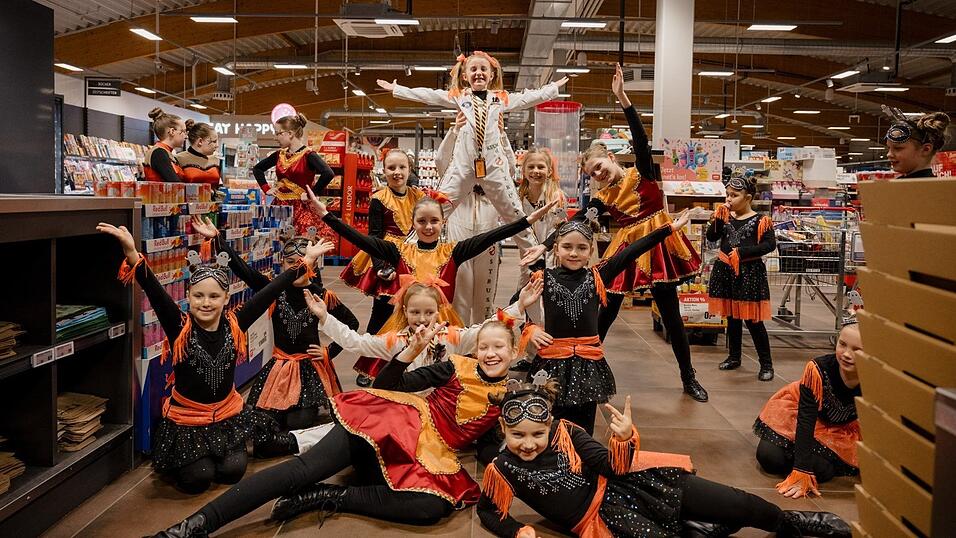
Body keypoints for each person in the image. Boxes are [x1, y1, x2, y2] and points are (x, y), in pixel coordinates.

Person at [152, 319, 525, 537]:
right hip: (391, 419)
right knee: (299, 470)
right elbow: (390, 387)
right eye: (484, 348)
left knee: (431, 508)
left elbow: (491, 448)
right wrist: (409, 353)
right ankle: (192, 526)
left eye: (499, 349)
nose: (491, 354)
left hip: (424, 454)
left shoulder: (510, 398)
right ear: (474, 351)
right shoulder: (455, 368)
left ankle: (326, 497)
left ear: (514, 354)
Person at [95, 222, 327, 494]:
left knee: (232, 472)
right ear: (188, 297)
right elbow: (154, 290)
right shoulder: (179, 327)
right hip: (189, 421)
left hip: (226, 415)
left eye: (214, 296)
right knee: (197, 479)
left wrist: (305, 263)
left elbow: (271, 290)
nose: (206, 303)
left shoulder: (236, 323)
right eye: (199, 296)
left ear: (226, 297)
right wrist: (133, 253)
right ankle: (198, 460)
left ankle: (218, 451)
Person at [522, 64, 707, 403]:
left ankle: (688, 377)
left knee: (671, 316)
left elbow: (640, 138)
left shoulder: (643, 172)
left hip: (661, 241)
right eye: (593, 173)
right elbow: (576, 222)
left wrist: (623, 99)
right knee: (604, 312)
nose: (600, 174)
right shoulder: (602, 198)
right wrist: (545, 245)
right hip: (627, 251)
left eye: (600, 167)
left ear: (610, 157)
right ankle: (582, 364)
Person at [476, 375, 852, 537]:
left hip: (635, 484)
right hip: (604, 520)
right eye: (518, 435)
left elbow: (614, 466)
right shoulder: (502, 468)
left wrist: (623, 439)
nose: (528, 443)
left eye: (536, 434)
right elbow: (488, 511)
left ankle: (792, 522)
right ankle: (700, 530)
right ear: (503, 431)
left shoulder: (567, 432)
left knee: (736, 502)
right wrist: (516, 530)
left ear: (551, 424)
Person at [519, 210, 692, 435]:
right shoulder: (543, 278)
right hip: (553, 363)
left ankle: (582, 461)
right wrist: (530, 330)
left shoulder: (598, 275)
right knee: (552, 421)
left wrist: (669, 229)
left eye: (581, 248)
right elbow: (517, 308)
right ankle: (557, 461)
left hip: (588, 363)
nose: (573, 253)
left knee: (584, 424)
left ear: (591, 251)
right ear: (556, 249)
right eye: (567, 247)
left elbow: (632, 251)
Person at [377, 51, 568, 254]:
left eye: (483, 69)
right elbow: (429, 95)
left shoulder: (500, 98)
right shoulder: (459, 97)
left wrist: (552, 88)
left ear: (492, 75)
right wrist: (398, 89)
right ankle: (411, 248)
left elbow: (526, 98)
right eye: (473, 69)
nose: (478, 73)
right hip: (464, 166)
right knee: (439, 206)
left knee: (514, 212)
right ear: (465, 75)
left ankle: (533, 254)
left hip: (494, 167)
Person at [306, 184, 558, 338]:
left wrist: (526, 221)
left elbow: (490, 236)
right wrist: (327, 216)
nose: (428, 227)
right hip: (405, 324)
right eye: (422, 221)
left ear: (442, 222)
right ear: (414, 224)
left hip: (444, 326)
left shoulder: (454, 252)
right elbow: (360, 239)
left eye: (434, 221)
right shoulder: (398, 251)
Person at [190, 216, 359, 436]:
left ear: (313, 263)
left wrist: (328, 352)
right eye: (291, 262)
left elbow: (352, 323)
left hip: (309, 368)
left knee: (298, 421)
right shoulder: (274, 290)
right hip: (280, 367)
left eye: (302, 261)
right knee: (266, 420)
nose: (297, 267)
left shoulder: (322, 296)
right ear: (283, 264)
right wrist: (217, 240)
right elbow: (244, 271)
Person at [338, 149, 428, 382]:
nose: (397, 173)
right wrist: (379, 267)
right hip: (387, 260)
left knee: (411, 313)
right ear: (383, 170)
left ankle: (406, 361)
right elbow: (374, 236)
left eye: (402, 168)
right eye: (391, 168)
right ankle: (366, 366)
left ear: (410, 170)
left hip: (413, 259)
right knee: (380, 315)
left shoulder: (419, 196)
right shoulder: (378, 199)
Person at [754, 322, 863, 498]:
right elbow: (805, 420)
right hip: (797, 417)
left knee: (823, 471)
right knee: (768, 457)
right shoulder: (818, 369)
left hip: (837, 430)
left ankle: (803, 456)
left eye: (857, 350)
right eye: (842, 344)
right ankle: (798, 458)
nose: (847, 354)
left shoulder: (876, 379)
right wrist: (801, 470)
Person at [441, 111, 512, 325]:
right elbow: (440, 159)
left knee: (485, 300)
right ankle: (460, 344)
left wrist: (501, 135)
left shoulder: (494, 182)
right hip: (458, 241)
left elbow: (509, 166)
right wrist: (454, 132)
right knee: (459, 299)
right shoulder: (455, 181)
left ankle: (480, 344)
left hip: (487, 243)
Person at [706, 174, 777, 381]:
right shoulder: (726, 217)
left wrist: (742, 253)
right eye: (727, 195)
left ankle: (766, 364)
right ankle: (734, 356)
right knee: (732, 317)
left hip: (749, 273)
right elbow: (712, 237)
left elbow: (769, 245)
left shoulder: (761, 221)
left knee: (753, 320)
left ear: (748, 197)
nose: (729, 199)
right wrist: (718, 219)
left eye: (734, 195)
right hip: (725, 271)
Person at [252, 112, 335, 233]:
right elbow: (257, 169)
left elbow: (328, 173)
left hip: (301, 208)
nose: (276, 138)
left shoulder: (308, 155)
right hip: (279, 208)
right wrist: (266, 188)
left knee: (299, 242)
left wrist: (310, 194)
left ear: (290, 133)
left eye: (278, 133)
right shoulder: (279, 155)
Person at [515, 146, 567, 324]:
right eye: (531, 167)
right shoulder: (518, 197)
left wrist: (544, 246)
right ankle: (529, 342)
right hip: (527, 258)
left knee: (549, 300)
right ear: (523, 170)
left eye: (540, 167)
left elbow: (562, 227)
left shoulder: (556, 196)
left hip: (551, 258)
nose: (535, 171)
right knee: (525, 298)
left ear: (549, 170)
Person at [882, 106, 951, 178]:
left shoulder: (933, 187)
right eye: (889, 148)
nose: (889, 154)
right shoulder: (897, 185)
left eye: (898, 148)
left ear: (926, 149)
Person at [143, 108, 185, 182]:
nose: (186, 136)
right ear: (172, 131)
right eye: (183, 131)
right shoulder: (159, 153)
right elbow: (175, 183)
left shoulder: (165, 152)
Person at [175, 120, 221, 187]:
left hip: (213, 197)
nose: (217, 145)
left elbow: (219, 187)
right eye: (214, 141)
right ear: (200, 141)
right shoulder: (179, 159)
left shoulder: (215, 160)